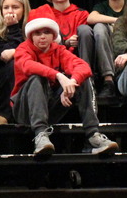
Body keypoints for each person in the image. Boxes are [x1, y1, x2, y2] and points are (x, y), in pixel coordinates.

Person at [10, 17, 118, 158]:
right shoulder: (23, 49)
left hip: (50, 108)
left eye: (46, 32)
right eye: (37, 33)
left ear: (54, 36)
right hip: (25, 110)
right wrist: (59, 76)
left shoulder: (59, 50)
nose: (42, 36)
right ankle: (40, 135)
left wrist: (71, 82)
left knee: (83, 79)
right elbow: (28, 66)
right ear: (31, 37)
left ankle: (93, 135)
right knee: (37, 77)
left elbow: (83, 67)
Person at [81, 0, 127, 100]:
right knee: (99, 27)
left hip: (125, 53)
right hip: (105, 56)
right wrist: (118, 21)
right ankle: (108, 80)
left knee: (100, 26)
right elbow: (91, 18)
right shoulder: (101, 6)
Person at [0, 0, 31, 125]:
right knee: (13, 64)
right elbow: (5, 55)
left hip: (28, 72)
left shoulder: (32, 27)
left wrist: (16, 51)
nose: (10, 11)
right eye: (6, 7)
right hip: (1, 74)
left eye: (15, 7)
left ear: (24, 9)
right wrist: (13, 28)